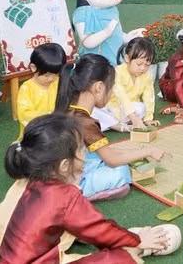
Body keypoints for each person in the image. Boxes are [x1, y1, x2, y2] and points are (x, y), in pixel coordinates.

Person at [0, 115, 181, 263]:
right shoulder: (64, 196)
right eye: (81, 149)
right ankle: (139, 248)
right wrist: (137, 240)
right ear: (64, 165)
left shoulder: (21, 183)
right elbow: (99, 229)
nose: (85, 154)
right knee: (120, 257)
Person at [55, 54, 170, 201]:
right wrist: (148, 150)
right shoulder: (85, 121)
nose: (111, 93)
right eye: (111, 88)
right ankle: (81, 193)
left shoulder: (67, 108)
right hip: (72, 181)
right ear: (99, 87)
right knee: (121, 172)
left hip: (60, 171)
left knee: (105, 156)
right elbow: (112, 160)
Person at [72, 0, 143, 66]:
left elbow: (116, 34)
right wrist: (106, 32)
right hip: (95, 66)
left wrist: (128, 37)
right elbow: (87, 42)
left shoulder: (112, 9)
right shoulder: (82, 13)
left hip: (117, 62)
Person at [100, 37, 160, 132]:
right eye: (139, 64)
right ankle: (115, 124)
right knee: (97, 111)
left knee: (141, 108)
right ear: (127, 58)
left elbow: (149, 97)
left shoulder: (147, 76)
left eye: (147, 65)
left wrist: (148, 119)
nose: (142, 68)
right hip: (110, 108)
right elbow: (121, 96)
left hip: (128, 111)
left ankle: (113, 124)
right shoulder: (118, 72)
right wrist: (133, 117)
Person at [16, 43, 66, 140]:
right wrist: (50, 115)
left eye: (56, 74)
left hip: (57, 131)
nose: (52, 78)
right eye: (47, 75)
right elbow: (25, 114)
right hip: (35, 135)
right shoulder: (27, 88)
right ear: (33, 68)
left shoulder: (58, 82)